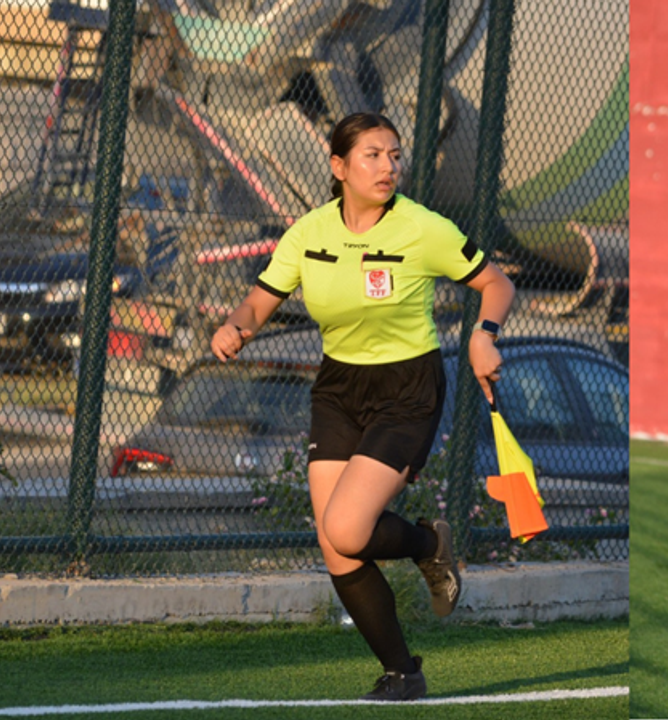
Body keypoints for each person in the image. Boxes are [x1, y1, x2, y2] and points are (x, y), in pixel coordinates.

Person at [210, 112, 515, 702]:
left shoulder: (422, 227)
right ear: (339, 166)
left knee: (348, 528)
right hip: (338, 388)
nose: (387, 166)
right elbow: (258, 303)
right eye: (372, 155)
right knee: (335, 544)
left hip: (408, 388)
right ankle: (403, 673)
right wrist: (235, 326)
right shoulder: (309, 232)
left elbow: (496, 283)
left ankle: (429, 546)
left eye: (394, 155)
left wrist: (484, 335)